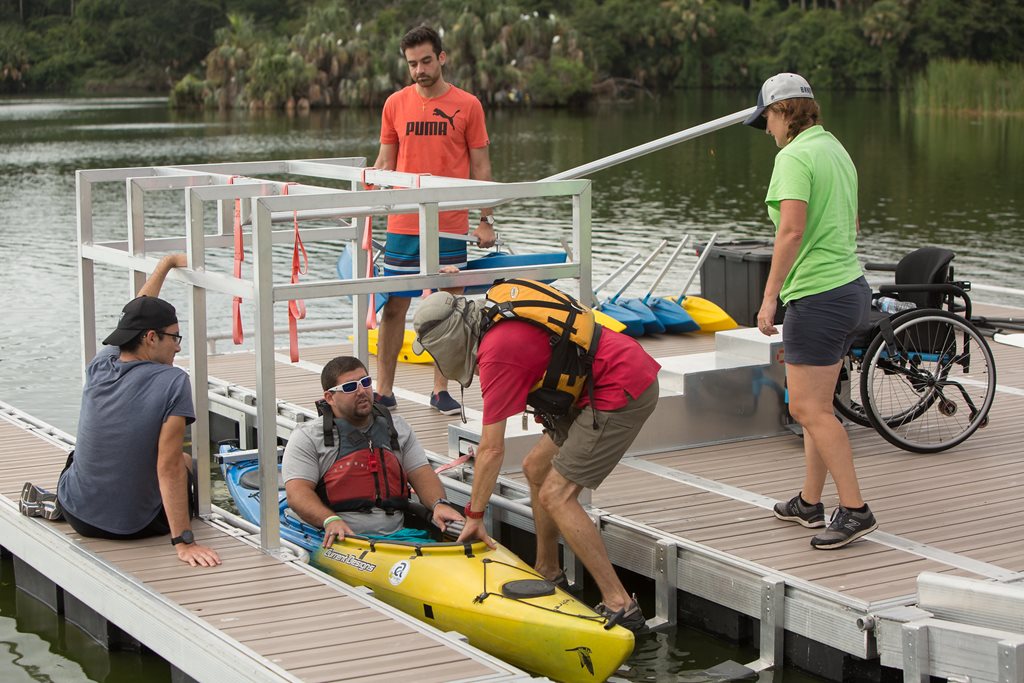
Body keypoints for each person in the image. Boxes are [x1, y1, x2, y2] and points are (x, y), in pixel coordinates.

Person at [411, 287, 660, 634]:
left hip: (619, 387)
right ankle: (549, 570)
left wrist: (475, 516)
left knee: (556, 494)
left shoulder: (497, 352)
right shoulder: (492, 320)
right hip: (590, 384)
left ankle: (621, 604)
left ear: (450, 339)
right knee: (535, 467)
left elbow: (491, 449)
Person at [744, 73, 877, 549]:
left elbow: (791, 231)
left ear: (782, 113)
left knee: (806, 407)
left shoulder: (794, 156)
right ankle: (809, 502)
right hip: (849, 288)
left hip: (818, 296)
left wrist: (769, 296)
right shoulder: (835, 149)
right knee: (815, 406)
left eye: (767, 121)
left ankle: (856, 509)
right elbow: (853, 221)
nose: (768, 132)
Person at [22, 254, 221, 568]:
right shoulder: (173, 382)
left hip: (78, 515)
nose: (179, 347)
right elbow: (167, 467)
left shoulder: (103, 362)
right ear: (151, 338)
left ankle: (60, 501)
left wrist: (166, 264)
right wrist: (184, 543)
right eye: (175, 338)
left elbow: (137, 310)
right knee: (185, 463)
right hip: (136, 526)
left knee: (81, 454)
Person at [372, 24, 496, 417]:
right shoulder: (395, 104)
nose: (420, 69)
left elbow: (481, 166)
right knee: (393, 305)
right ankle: (383, 390)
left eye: (426, 60)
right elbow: (385, 161)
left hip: (449, 224)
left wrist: (486, 220)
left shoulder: (468, 105)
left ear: (441, 58)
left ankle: (441, 389)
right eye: (412, 63)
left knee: (449, 308)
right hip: (403, 224)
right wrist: (365, 198)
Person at [282, 355, 464, 546]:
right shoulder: (307, 437)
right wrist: (330, 520)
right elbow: (297, 493)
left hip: (397, 537)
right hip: (340, 538)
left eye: (365, 382)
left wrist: (439, 503)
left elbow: (421, 473)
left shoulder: (398, 428)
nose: (361, 391)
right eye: (350, 387)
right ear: (330, 398)